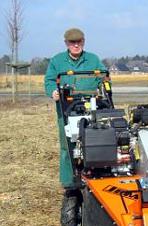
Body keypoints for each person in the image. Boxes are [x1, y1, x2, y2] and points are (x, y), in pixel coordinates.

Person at [44, 28, 106, 190]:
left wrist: (104, 88)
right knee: (68, 145)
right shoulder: (57, 61)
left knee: (95, 141)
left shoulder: (93, 59)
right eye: (73, 42)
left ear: (83, 42)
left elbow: (104, 77)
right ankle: (69, 182)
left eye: (79, 42)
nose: (76, 45)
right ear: (66, 43)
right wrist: (53, 92)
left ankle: (95, 175)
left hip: (91, 107)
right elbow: (49, 81)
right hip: (66, 109)